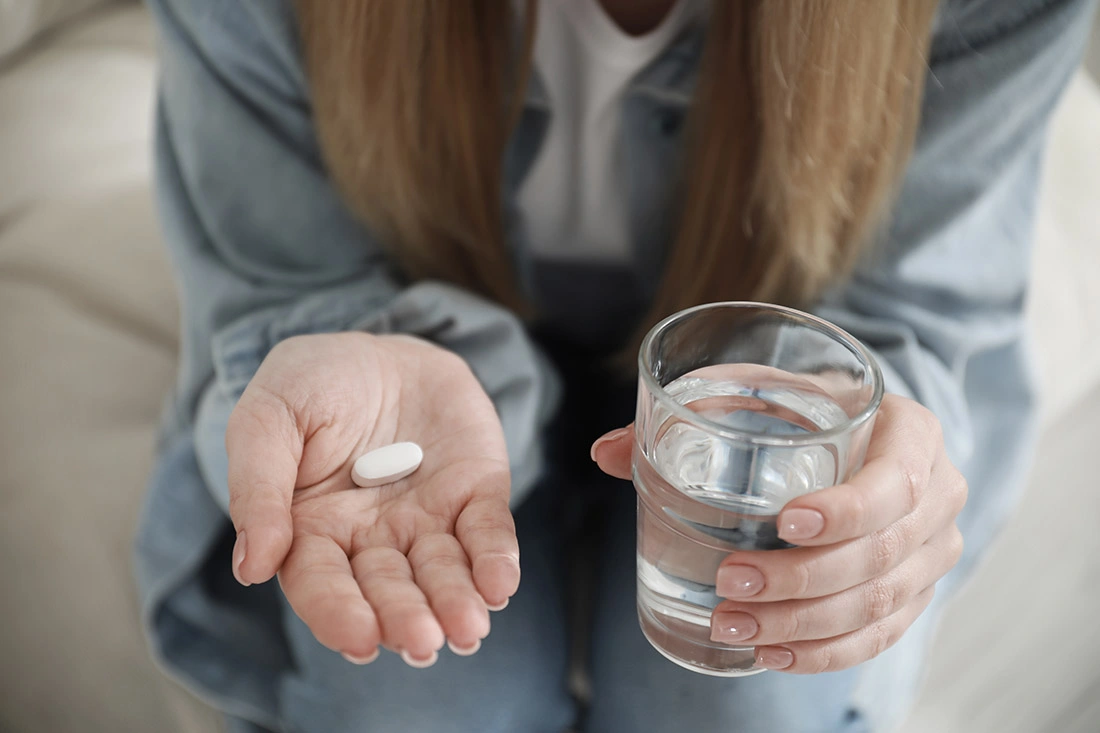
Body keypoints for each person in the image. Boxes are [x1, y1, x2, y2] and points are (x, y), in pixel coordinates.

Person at [134, 0, 1095, 731]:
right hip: (410, 365)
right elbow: (280, 278)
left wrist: (874, 452)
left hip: (756, 382)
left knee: (745, 697)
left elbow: (907, 303)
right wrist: (331, 356)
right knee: (418, 689)